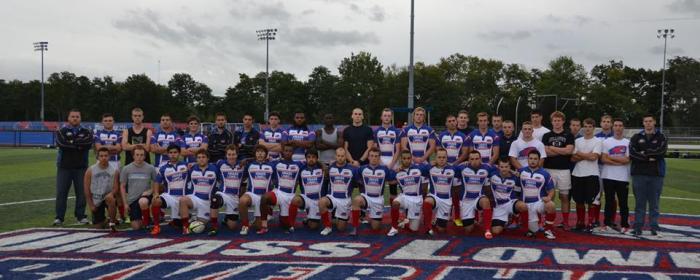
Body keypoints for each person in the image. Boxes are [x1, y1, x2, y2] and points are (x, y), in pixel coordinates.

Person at [629, 114, 667, 237]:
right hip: (639, 174)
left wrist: (643, 153)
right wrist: (649, 156)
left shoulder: (661, 136)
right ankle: (638, 227)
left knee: (654, 203)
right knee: (639, 203)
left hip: (656, 174)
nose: (648, 123)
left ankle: (654, 227)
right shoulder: (636, 137)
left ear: (654, 122)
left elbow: (661, 152)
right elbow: (632, 154)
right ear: (643, 123)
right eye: (646, 121)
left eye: (650, 121)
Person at [54, 108, 94, 226]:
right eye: (73, 116)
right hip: (64, 167)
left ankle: (80, 216)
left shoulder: (87, 131)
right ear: (68, 118)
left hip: (81, 167)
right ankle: (59, 217)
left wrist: (71, 143)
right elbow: (62, 144)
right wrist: (78, 145)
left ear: (80, 118)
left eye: (77, 116)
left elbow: (87, 144)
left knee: (81, 193)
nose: (75, 118)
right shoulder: (61, 131)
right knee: (61, 193)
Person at [350, 148, 397, 235]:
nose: (374, 158)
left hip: (378, 200)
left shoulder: (384, 169)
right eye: (372, 156)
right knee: (357, 200)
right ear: (368, 157)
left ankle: (372, 217)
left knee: (375, 228)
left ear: (379, 157)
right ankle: (355, 227)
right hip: (366, 197)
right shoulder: (362, 169)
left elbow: (394, 179)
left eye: (376, 156)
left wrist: (400, 171)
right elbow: (354, 176)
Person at [258, 144, 302, 234]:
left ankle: (284, 218)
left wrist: (322, 165)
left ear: (293, 153)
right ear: (282, 152)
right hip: (278, 193)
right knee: (264, 198)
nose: (288, 153)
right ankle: (264, 226)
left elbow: (313, 163)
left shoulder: (298, 164)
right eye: (286, 151)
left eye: (290, 151)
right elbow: (260, 161)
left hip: (290, 196)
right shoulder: (276, 164)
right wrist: (246, 160)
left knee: (286, 225)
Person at [542, 111, 575, 229]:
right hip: (548, 169)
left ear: (563, 121)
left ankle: (565, 221)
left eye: (559, 120)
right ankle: (547, 221)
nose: (557, 122)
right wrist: (561, 150)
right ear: (551, 122)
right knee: (548, 197)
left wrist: (552, 148)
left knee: (564, 196)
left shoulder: (569, 135)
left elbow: (569, 151)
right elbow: (545, 152)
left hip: (564, 170)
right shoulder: (546, 136)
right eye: (554, 120)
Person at [571, 118, 603, 232]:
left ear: (594, 128)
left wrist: (578, 153)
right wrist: (587, 155)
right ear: (583, 127)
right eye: (586, 126)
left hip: (592, 174)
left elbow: (594, 157)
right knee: (579, 200)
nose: (587, 128)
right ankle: (580, 223)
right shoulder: (577, 141)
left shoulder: (598, 141)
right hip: (577, 174)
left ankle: (590, 223)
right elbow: (572, 158)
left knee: (591, 201)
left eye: (590, 126)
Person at [179, 149, 221, 235]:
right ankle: (185, 227)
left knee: (201, 225)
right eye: (199, 157)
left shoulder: (215, 168)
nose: (201, 159)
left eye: (203, 157)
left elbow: (222, 180)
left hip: (208, 201)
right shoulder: (192, 169)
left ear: (208, 158)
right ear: (196, 159)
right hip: (195, 198)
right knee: (183, 200)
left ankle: (212, 225)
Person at [600, 118, 631, 233]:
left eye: (620, 125)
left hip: (623, 177)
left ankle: (625, 224)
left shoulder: (628, 143)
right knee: (609, 201)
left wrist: (611, 157)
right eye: (616, 125)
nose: (618, 128)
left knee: (623, 202)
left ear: (623, 128)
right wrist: (619, 161)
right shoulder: (606, 142)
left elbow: (627, 160)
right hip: (608, 176)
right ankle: (607, 223)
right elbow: (603, 159)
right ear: (613, 127)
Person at [94, 113, 126, 222]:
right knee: (102, 189)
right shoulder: (98, 133)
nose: (108, 122)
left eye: (110, 120)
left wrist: (105, 147)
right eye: (106, 120)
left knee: (116, 191)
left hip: (115, 163)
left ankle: (122, 216)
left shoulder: (118, 134)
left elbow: (118, 148)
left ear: (113, 122)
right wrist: (111, 147)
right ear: (102, 122)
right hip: (100, 163)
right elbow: (98, 148)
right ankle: (108, 216)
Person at [149, 144, 188, 235]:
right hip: (170, 196)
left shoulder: (186, 166)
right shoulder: (163, 168)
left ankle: (181, 223)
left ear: (179, 154)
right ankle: (156, 226)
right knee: (155, 201)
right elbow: (156, 182)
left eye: (175, 152)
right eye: (170, 153)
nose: (173, 155)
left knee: (178, 224)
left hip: (184, 198)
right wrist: (155, 193)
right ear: (167, 154)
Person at [388, 150, 429, 236]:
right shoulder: (397, 172)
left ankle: (405, 223)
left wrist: (434, 162)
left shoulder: (419, 169)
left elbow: (431, 168)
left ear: (411, 159)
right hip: (404, 197)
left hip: (417, 199)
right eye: (404, 158)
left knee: (414, 230)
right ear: (401, 160)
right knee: (395, 203)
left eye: (408, 158)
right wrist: (395, 171)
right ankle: (394, 228)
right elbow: (387, 177)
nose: (406, 160)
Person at [455, 150, 494, 239]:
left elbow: (501, 169)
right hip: (466, 201)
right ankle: (473, 219)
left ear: (480, 159)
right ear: (468, 160)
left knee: (485, 201)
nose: (474, 161)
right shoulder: (461, 168)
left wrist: (513, 172)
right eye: (472, 159)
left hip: (478, 198)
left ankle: (487, 230)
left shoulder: (487, 168)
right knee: (468, 230)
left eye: (477, 159)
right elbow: (448, 169)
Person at [518, 150, 557, 239]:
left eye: (535, 159)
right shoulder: (521, 171)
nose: (533, 161)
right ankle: (533, 223)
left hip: (538, 203)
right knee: (533, 231)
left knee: (551, 205)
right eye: (531, 158)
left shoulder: (545, 174)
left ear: (539, 160)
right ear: (527, 160)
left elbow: (551, 189)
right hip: (525, 205)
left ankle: (548, 230)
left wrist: (549, 197)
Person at [319, 147, 358, 235]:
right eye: (338, 156)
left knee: (341, 228)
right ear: (335, 156)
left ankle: (341, 218)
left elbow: (358, 183)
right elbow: (325, 181)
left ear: (345, 157)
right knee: (322, 202)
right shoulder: (330, 168)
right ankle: (327, 226)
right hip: (332, 197)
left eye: (342, 156)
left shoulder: (353, 169)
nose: (340, 158)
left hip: (345, 200)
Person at [421, 148, 460, 235]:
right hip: (434, 196)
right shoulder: (430, 168)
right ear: (435, 158)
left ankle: (437, 220)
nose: (441, 159)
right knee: (427, 201)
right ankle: (427, 226)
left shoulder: (453, 169)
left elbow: (465, 170)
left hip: (446, 201)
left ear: (447, 158)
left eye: (444, 157)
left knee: (441, 229)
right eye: (439, 157)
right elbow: (416, 169)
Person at [238, 145, 276, 235]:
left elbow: (275, 181)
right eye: (258, 152)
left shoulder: (272, 166)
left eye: (262, 152)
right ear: (255, 154)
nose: (260, 154)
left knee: (258, 226)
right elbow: (243, 179)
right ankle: (245, 225)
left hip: (264, 198)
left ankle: (267, 212)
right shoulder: (249, 165)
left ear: (266, 154)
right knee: (242, 201)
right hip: (252, 194)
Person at [120, 146, 157, 231]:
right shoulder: (126, 168)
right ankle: (145, 219)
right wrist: (125, 203)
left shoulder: (150, 168)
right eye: (137, 155)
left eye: (141, 155)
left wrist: (151, 191)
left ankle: (147, 223)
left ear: (145, 156)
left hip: (145, 197)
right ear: (133, 156)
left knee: (143, 201)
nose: (139, 157)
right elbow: (122, 186)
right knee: (136, 227)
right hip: (132, 199)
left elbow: (156, 182)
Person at [210, 145, 245, 235]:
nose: (231, 157)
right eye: (229, 154)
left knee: (232, 227)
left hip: (234, 197)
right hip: (223, 193)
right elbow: (208, 165)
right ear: (226, 155)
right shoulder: (220, 163)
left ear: (237, 155)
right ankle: (213, 226)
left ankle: (226, 218)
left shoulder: (242, 165)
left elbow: (255, 161)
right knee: (215, 199)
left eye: (233, 154)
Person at [488, 157, 528, 237]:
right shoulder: (492, 174)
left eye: (506, 167)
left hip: (510, 203)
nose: (504, 169)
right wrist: (465, 163)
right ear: (498, 167)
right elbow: (483, 166)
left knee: (523, 206)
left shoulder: (515, 178)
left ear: (510, 167)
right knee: (496, 231)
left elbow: (520, 192)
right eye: (502, 167)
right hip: (498, 206)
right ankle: (506, 220)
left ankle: (526, 229)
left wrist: (515, 173)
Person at [288, 149, 327, 230]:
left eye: (313, 157)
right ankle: (290, 225)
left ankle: (313, 217)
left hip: (319, 201)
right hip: (307, 199)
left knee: (313, 227)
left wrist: (322, 165)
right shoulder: (301, 168)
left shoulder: (323, 170)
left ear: (317, 159)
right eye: (309, 157)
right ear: (305, 159)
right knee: (295, 200)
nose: (311, 159)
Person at [83, 147, 119, 231]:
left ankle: (112, 222)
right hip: (96, 198)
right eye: (101, 156)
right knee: (98, 227)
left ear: (109, 157)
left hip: (108, 197)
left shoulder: (114, 170)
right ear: (97, 157)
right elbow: (86, 189)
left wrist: (111, 194)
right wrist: (91, 204)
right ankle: (105, 220)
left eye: (106, 156)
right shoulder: (90, 170)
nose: (103, 158)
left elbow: (116, 188)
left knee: (110, 198)